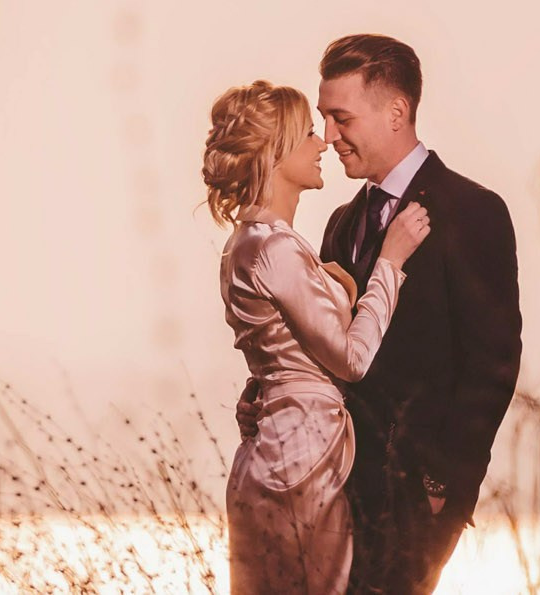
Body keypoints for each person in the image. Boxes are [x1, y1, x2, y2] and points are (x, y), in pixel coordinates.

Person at [287, 34, 522, 595]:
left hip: (419, 499)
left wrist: (442, 484)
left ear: (397, 112)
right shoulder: (343, 222)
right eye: (324, 119)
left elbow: (492, 363)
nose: (329, 137)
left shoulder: (472, 210)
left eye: (341, 118)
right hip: (334, 495)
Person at [206, 79, 432, 595]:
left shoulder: (247, 243)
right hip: (301, 458)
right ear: (276, 151)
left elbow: (275, 353)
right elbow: (351, 360)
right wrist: (390, 263)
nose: (322, 142)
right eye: (309, 132)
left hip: (276, 446)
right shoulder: (273, 247)